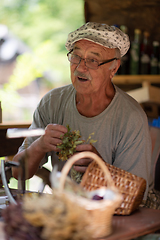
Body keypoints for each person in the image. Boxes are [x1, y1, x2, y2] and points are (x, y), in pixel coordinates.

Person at [12, 22, 152, 199]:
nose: (80, 67)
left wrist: (100, 169)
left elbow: (136, 195)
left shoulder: (131, 117)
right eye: (76, 56)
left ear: (114, 68)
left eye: (93, 60)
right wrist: (40, 145)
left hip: (111, 215)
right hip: (65, 211)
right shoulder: (52, 102)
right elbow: (18, 173)